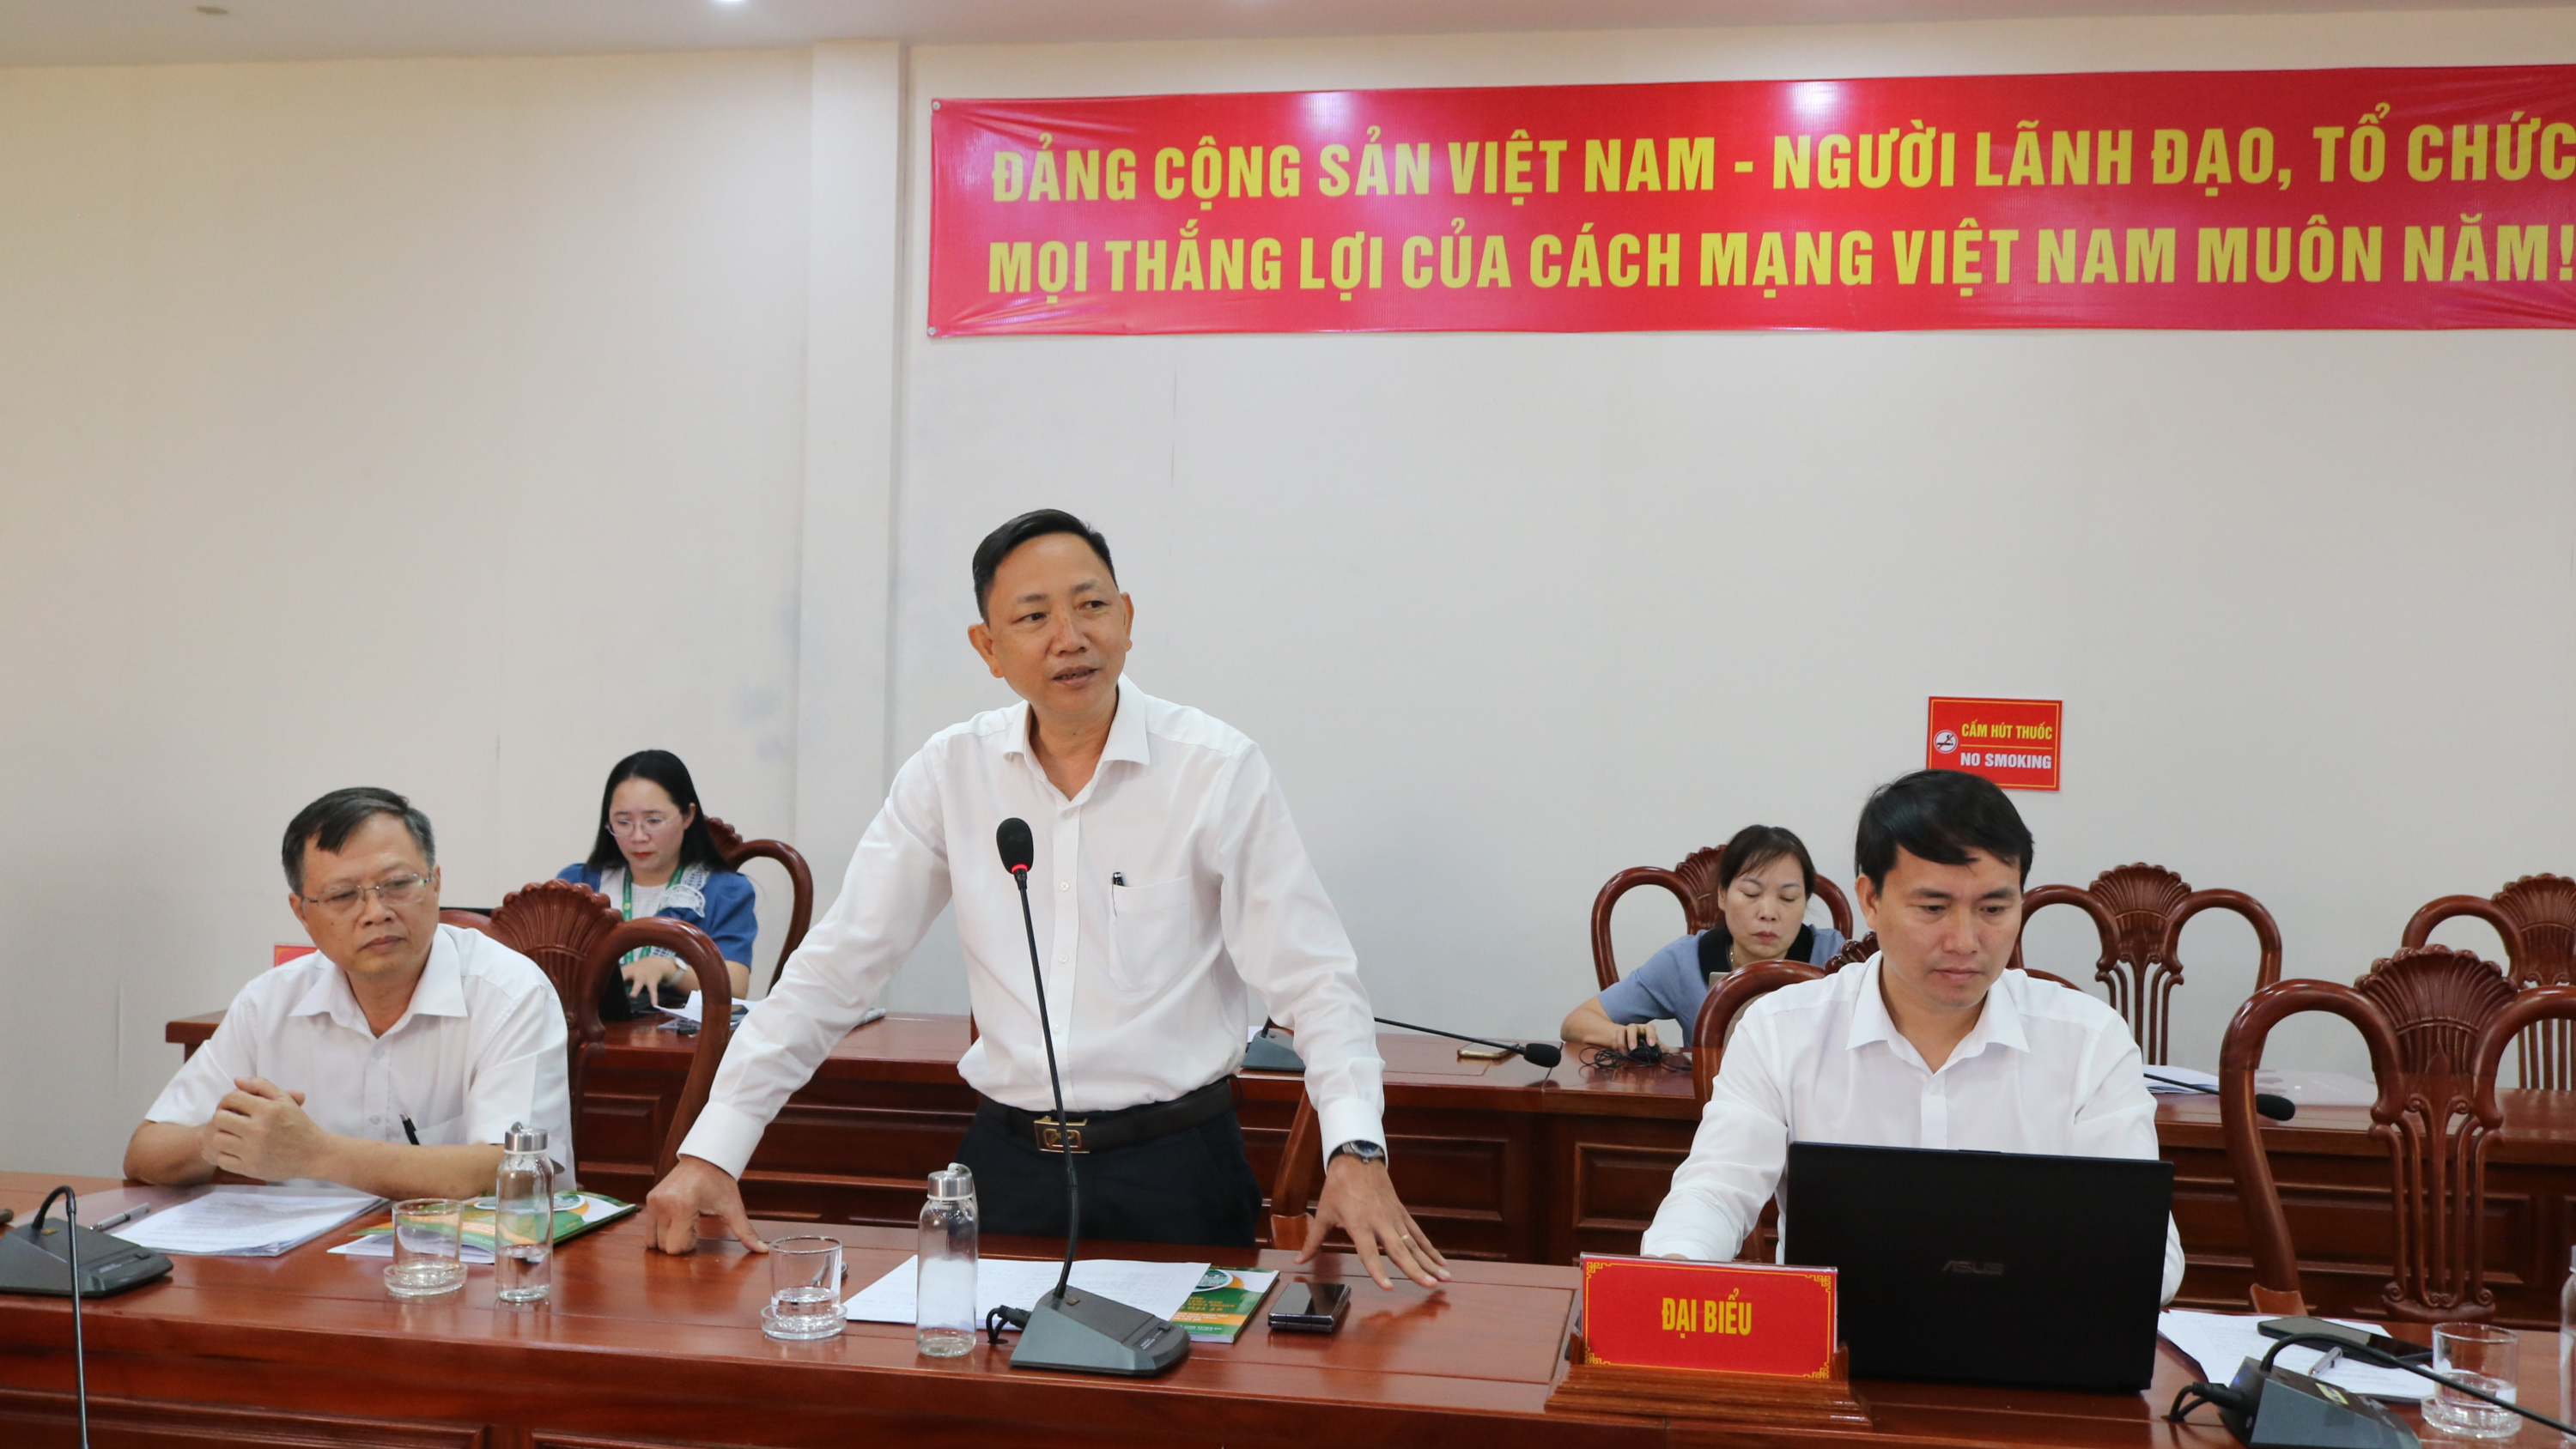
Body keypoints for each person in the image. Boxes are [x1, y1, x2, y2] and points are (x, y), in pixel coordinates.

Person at [643, 509, 1449, 1290]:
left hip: (1177, 1171)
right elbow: (835, 969)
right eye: (1033, 617)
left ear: (1126, 618)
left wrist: (1356, 1148)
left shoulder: (1214, 769)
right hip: (1006, 1169)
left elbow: (1314, 978)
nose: (1070, 636)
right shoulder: (951, 774)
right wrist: (715, 1147)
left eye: (1091, 605)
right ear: (989, 648)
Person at [1640, 769, 2184, 1304]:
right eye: (1933, 908)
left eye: (1994, 909)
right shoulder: (1782, 1030)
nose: (1965, 940)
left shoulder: (2088, 1040)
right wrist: (1676, 1267)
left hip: (2035, 1337)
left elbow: (2149, 1248)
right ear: (1871, 900)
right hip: (1835, 1346)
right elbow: (1716, 1189)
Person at [125, 788, 574, 1198]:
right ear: (302, 912)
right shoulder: (270, 1002)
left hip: (463, 1255)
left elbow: (517, 1172)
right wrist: (212, 1140)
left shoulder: (511, 993)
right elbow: (145, 1152)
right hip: (310, 1258)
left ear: (436, 883)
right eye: (342, 895)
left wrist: (314, 1154)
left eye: (398, 885)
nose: (376, 912)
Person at [1561, 824, 1848, 1052]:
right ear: (1722, 895)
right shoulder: (1685, 961)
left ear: (1805, 902)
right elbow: (1577, 1022)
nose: (1769, 913)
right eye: (1751, 894)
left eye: (1788, 898)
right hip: (1709, 1105)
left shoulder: (1833, 957)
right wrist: (1622, 1035)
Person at [556, 749, 756, 1010]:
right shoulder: (579, 884)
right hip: (588, 1028)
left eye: (653, 820)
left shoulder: (725, 891)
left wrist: (670, 970)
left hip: (677, 1034)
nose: (638, 837)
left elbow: (736, 989)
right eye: (623, 822)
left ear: (687, 816)